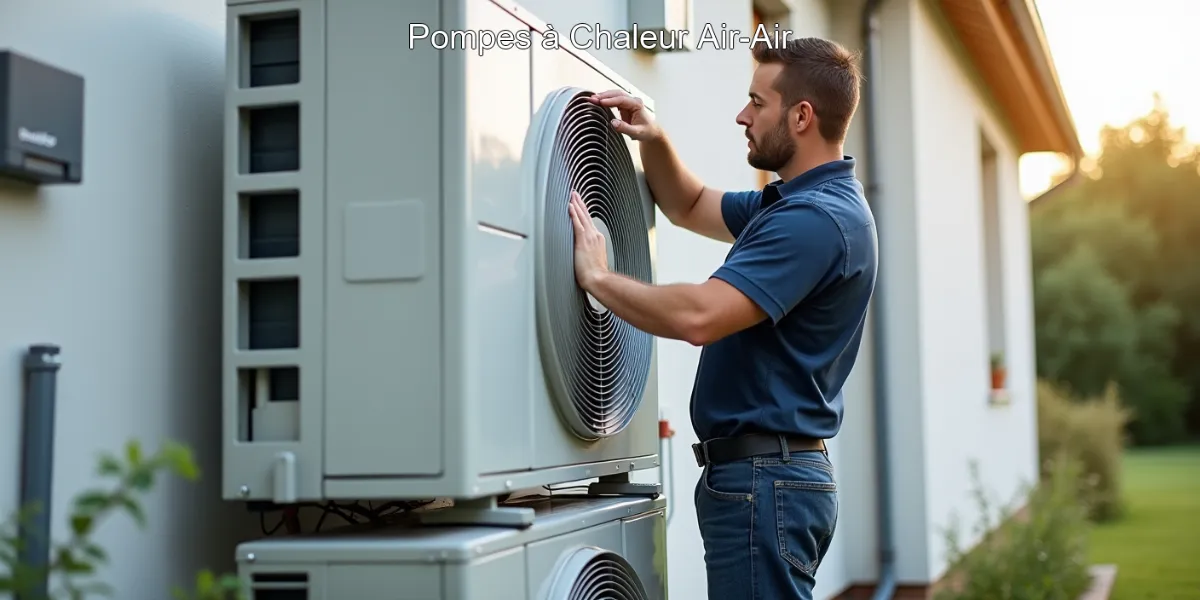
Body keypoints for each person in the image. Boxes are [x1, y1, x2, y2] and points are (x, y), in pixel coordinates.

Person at [567, 36, 877, 599]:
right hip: (768, 478)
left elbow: (700, 316)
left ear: (802, 116)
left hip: (766, 481)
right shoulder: (792, 204)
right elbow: (688, 205)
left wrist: (599, 279)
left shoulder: (815, 221)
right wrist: (654, 138)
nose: (743, 115)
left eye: (757, 102)